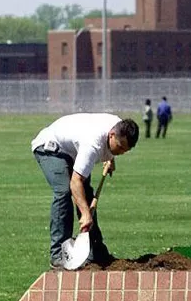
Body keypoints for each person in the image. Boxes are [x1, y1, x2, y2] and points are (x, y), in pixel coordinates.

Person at [31, 113, 139, 269]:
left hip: (73, 150)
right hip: (50, 148)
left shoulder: (120, 126)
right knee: (64, 192)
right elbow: (75, 182)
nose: (121, 152)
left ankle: (96, 250)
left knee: (86, 197)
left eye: (125, 151)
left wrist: (111, 157)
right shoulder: (92, 144)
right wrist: (86, 214)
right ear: (112, 135)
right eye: (120, 147)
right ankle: (58, 255)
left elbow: (110, 145)